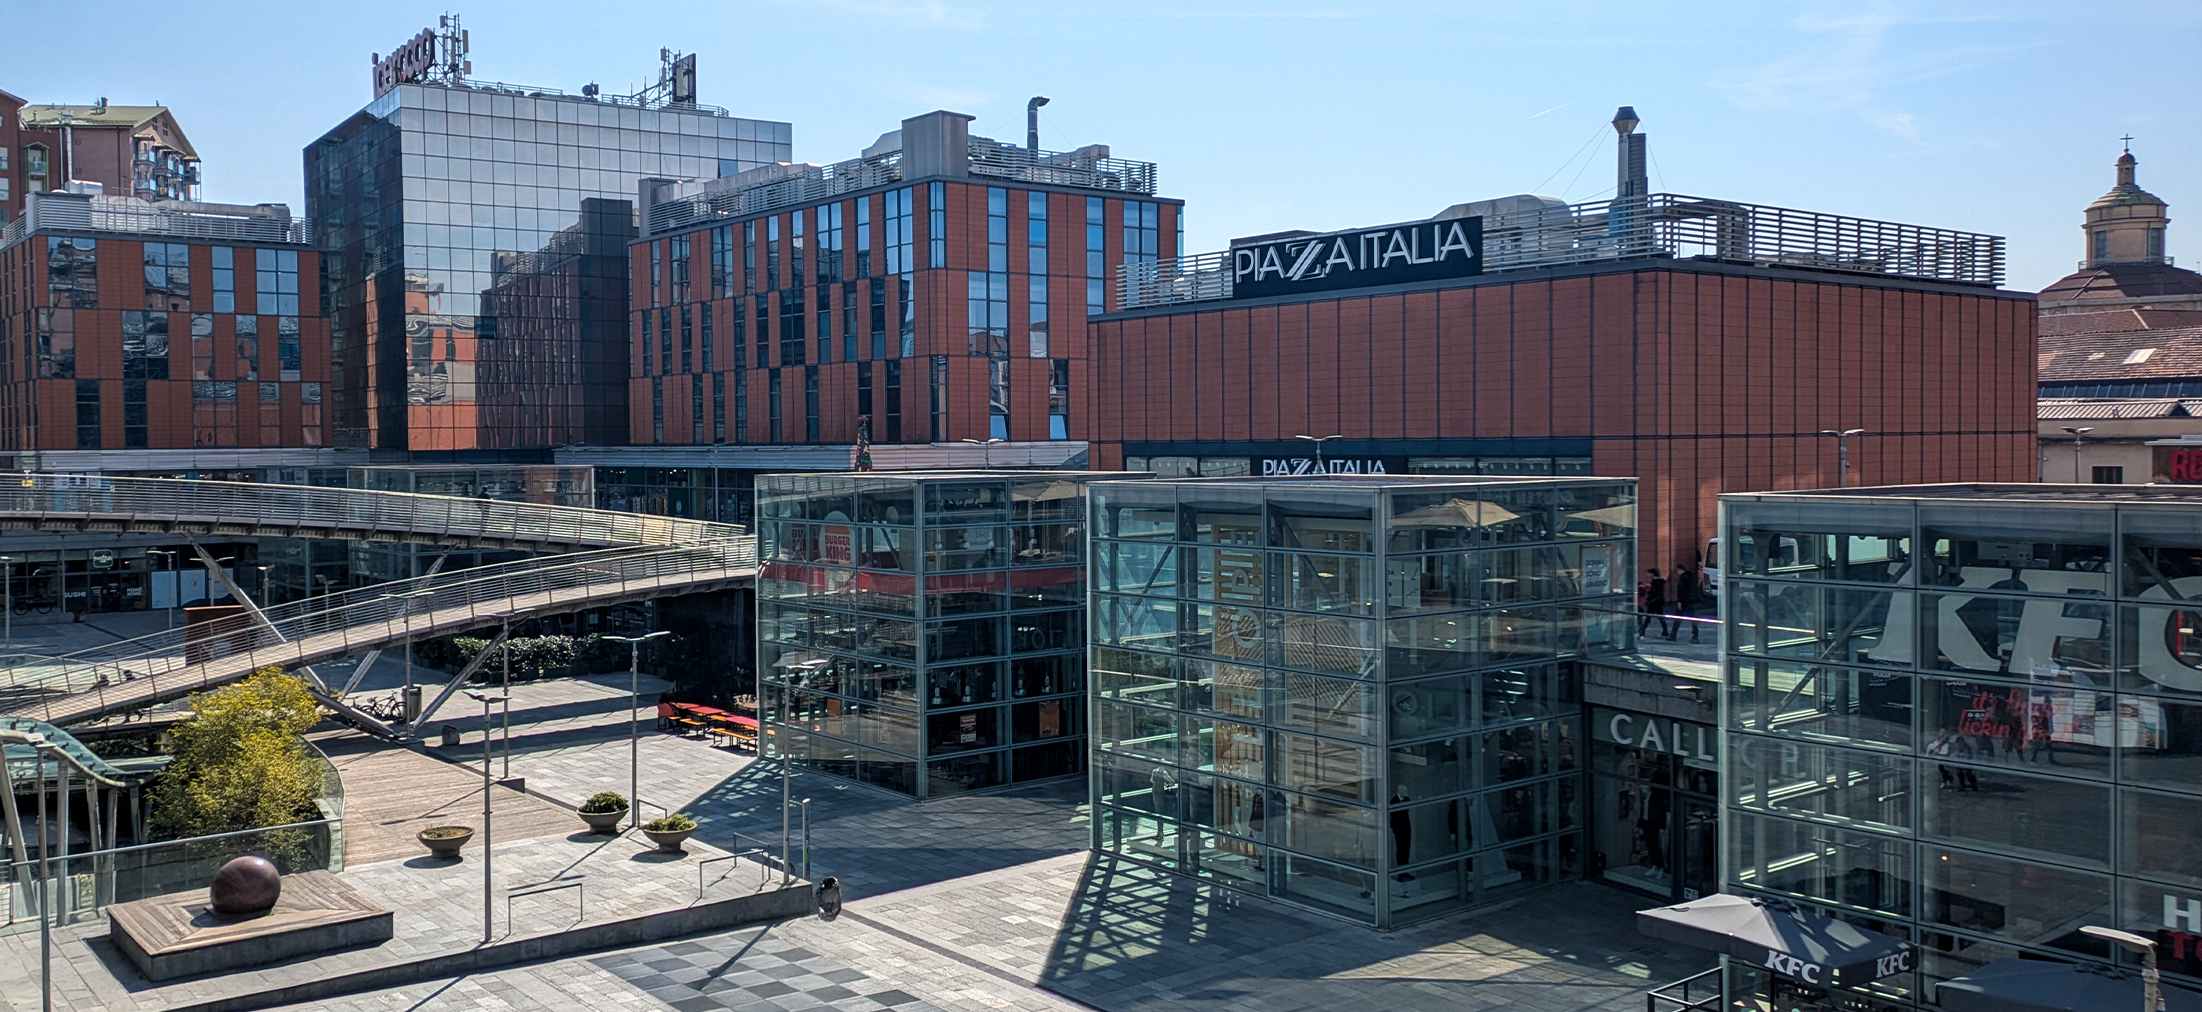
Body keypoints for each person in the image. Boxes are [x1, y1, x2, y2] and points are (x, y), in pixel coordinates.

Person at [1674, 562, 1704, 642]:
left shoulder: (1682, 578)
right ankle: (1695, 636)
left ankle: (1673, 635)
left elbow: (1681, 590)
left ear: (1679, 570)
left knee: (1678, 618)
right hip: (1691, 600)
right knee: (1692, 618)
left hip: (1684, 601)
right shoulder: (1692, 577)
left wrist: (1679, 601)